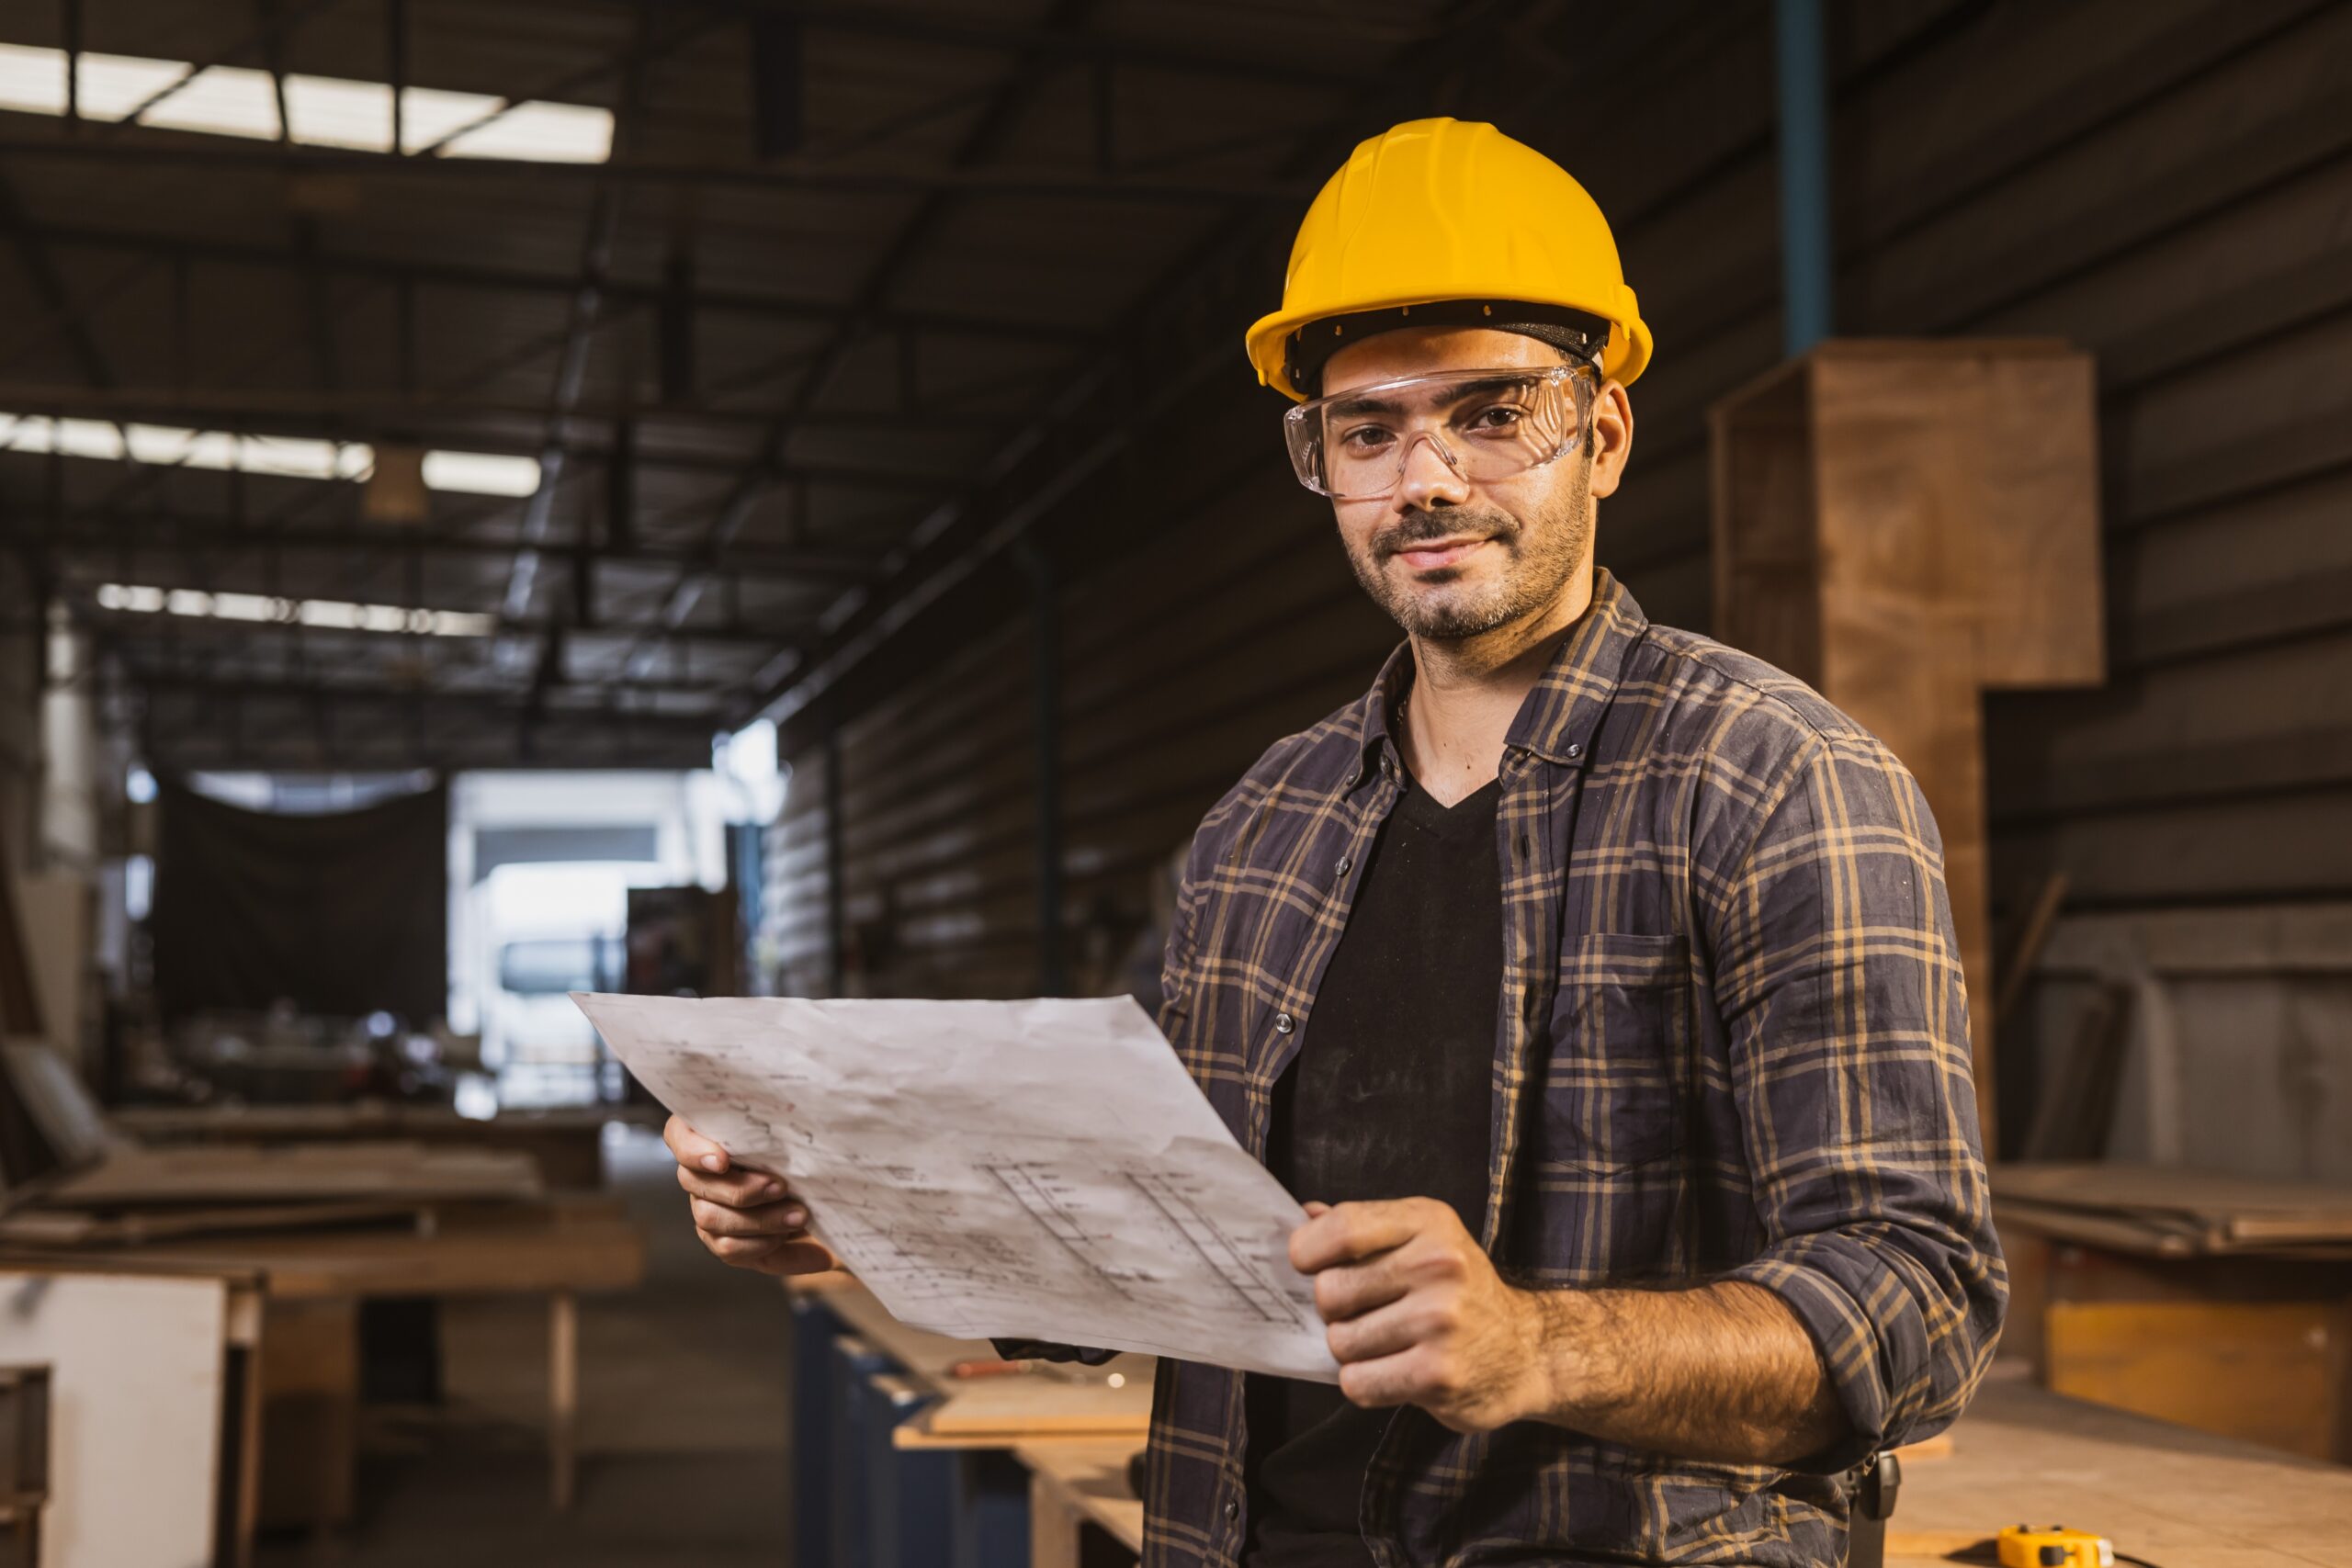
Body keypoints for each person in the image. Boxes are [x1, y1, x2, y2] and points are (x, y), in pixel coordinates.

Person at [665, 118, 2005, 1566]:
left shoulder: (1776, 782)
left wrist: (1534, 1346)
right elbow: (1158, 1243)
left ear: (1605, 437)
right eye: (1368, 431)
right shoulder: (1265, 826)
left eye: (1490, 414)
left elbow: (1919, 1302)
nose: (1425, 477)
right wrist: (864, 1207)